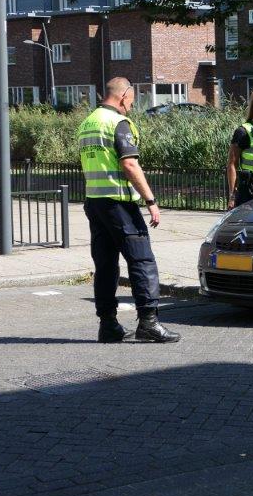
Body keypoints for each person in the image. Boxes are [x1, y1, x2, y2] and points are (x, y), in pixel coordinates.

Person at [77, 77, 180, 343]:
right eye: (132, 99)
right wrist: (150, 200)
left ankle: (108, 325)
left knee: (106, 264)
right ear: (124, 96)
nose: (133, 105)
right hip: (120, 202)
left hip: (95, 202)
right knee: (142, 260)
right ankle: (149, 323)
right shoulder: (118, 123)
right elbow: (130, 165)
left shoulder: (88, 122)